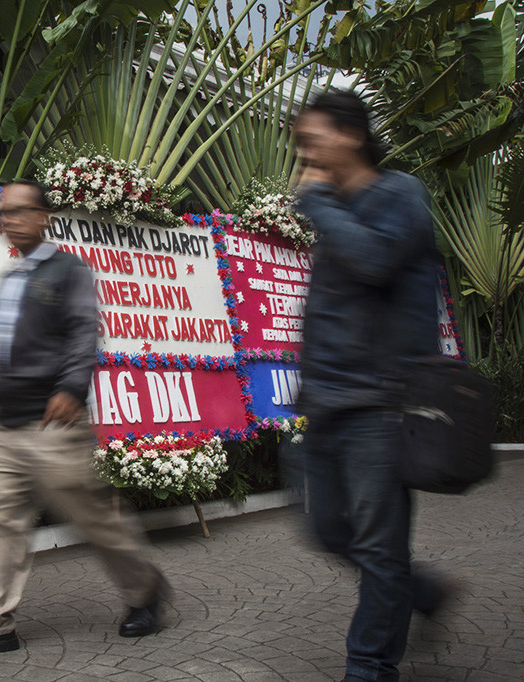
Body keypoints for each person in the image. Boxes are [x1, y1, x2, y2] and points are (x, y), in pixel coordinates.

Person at [0, 179, 168, 662]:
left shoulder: (69, 271)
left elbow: (84, 333)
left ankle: (145, 590)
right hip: (7, 426)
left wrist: (70, 388)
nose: (11, 220)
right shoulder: (11, 278)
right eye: (4, 213)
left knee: (94, 519)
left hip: (53, 425)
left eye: (21, 211)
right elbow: (8, 354)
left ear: (45, 217)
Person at [292, 91, 448, 682]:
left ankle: (369, 667)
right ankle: (422, 591)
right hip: (328, 403)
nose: (305, 154)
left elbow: (376, 262)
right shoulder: (335, 209)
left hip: (381, 406)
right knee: (329, 530)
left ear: (351, 134)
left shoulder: (398, 194)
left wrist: (319, 204)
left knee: (381, 550)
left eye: (313, 139)